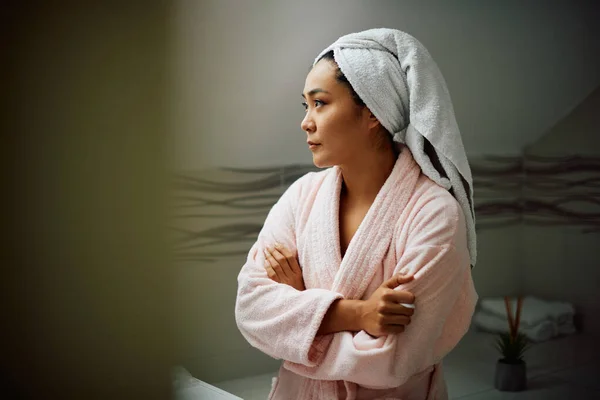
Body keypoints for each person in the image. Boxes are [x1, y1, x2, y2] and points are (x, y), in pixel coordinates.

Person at [235, 28, 478, 400]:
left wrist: (298, 319)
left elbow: (390, 361)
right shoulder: (301, 196)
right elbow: (251, 310)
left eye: (320, 103)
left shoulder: (434, 214)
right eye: (306, 106)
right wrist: (356, 314)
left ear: (371, 112)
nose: (306, 121)